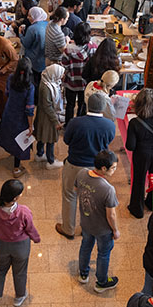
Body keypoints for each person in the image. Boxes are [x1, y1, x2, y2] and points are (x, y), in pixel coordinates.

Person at [56, 92, 116, 240]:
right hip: (96, 168)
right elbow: (108, 143)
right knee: (92, 199)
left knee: (70, 195)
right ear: (103, 108)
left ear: (87, 104)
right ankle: (87, 230)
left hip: (75, 164)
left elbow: (67, 140)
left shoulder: (76, 122)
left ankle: (68, 228)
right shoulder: (109, 125)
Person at [0, 179, 41, 307]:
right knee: (20, 271)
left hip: (2, 245)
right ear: (15, 197)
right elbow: (30, 229)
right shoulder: (24, 211)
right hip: (20, 247)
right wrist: (36, 238)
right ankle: (19, 296)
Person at [76, 149, 121, 292]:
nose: (115, 170)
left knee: (85, 246)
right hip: (102, 230)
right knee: (103, 253)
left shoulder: (82, 173)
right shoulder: (108, 189)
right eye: (113, 168)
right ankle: (101, 282)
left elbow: (77, 190)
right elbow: (111, 216)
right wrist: (115, 230)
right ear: (103, 168)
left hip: (86, 222)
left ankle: (83, 274)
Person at [125, 89, 153, 218]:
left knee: (139, 180)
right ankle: (152, 204)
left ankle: (137, 209)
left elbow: (130, 146)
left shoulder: (134, 122)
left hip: (142, 154)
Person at [0, 57, 36, 177]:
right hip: (21, 117)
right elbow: (29, 108)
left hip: (9, 112)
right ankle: (16, 168)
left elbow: (7, 93)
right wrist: (30, 125)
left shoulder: (10, 79)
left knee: (10, 136)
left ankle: (11, 153)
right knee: (20, 141)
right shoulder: (29, 86)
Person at [34, 64, 65, 169]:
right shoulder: (46, 88)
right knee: (50, 138)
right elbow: (47, 106)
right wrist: (55, 121)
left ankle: (39, 154)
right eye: (60, 74)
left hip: (43, 115)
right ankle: (51, 161)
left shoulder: (46, 80)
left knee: (42, 136)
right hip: (47, 117)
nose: (62, 76)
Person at [61, 22, 92, 124]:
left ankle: (68, 125)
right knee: (82, 105)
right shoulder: (91, 48)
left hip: (71, 82)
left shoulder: (67, 50)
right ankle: (79, 124)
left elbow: (64, 66)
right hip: (84, 83)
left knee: (70, 105)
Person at [19, 6, 48, 86]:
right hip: (44, 60)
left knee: (33, 82)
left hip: (33, 61)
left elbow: (26, 43)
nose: (28, 18)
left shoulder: (32, 29)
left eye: (30, 16)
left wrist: (20, 34)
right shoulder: (47, 24)